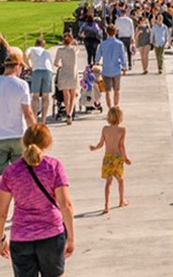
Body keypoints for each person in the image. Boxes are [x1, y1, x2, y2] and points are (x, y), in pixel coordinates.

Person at [0, 124, 76, 276]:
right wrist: (71, 238)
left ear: (24, 142)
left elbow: (2, 211)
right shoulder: (54, 167)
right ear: (47, 143)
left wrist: (1, 238)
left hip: (21, 238)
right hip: (51, 236)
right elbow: (65, 205)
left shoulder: (11, 171)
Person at [88, 106, 132, 213]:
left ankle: (106, 205)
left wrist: (94, 148)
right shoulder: (122, 130)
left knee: (108, 182)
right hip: (117, 158)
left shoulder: (105, 129)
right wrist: (125, 158)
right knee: (120, 180)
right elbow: (121, 146)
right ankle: (121, 201)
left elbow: (101, 144)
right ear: (120, 117)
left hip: (107, 157)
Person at [0, 48, 35, 174]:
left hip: (0, 137)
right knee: (19, 174)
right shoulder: (22, 85)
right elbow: (28, 113)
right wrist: (35, 131)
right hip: (18, 135)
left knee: (1, 177)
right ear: (18, 66)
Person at [26, 38, 55, 124]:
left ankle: (34, 119)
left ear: (35, 44)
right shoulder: (46, 52)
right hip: (48, 71)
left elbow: (25, 54)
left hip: (37, 70)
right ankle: (43, 120)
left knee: (35, 96)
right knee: (45, 96)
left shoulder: (32, 48)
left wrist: (28, 65)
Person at [53, 34, 79, 125]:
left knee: (66, 96)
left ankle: (68, 112)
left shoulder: (60, 50)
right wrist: (75, 43)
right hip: (73, 73)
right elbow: (77, 48)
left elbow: (56, 63)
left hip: (64, 73)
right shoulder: (74, 50)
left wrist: (60, 66)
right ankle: (70, 114)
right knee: (73, 95)